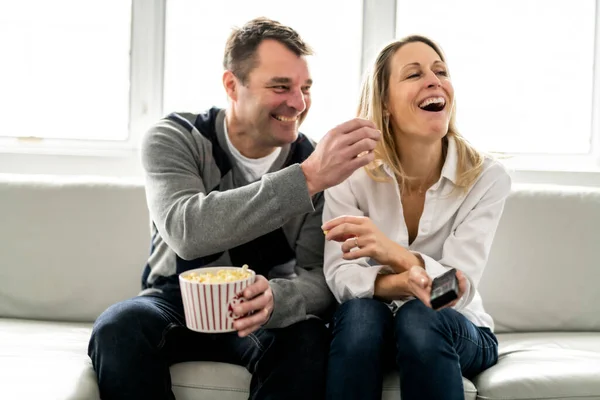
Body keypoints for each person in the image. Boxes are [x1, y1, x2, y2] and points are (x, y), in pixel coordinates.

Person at [88, 17, 381, 400]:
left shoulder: (315, 161)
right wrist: (306, 179)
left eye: (305, 88)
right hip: (174, 300)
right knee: (118, 327)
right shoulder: (176, 138)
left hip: (264, 306)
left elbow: (319, 275)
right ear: (232, 85)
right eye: (281, 87)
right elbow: (187, 232)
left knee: (307, 341)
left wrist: (280, 298)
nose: (299, 102)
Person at [322, 35, 512, 400]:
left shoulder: (487, 177)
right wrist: (409, 281)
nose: (433, 80)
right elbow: (341, 279)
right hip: (371, 326)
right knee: (361, 316)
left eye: (440, 71)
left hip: (458, 327)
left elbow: (456, 291)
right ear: (385, 104)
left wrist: (392, 254)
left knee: (419, 317)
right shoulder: (350, 173)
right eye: (414, 74)